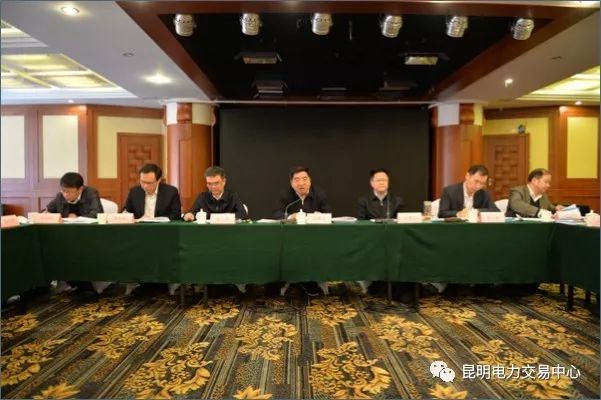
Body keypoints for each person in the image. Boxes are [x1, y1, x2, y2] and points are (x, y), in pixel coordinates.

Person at [274, 166, 331, 296]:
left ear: (310, 181)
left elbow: (328, 214)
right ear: (291, 183)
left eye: (305, 179)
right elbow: (276, 213)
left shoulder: (319, 194)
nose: (301, 183)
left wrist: (318, 216)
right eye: (297, 179)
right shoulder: (285, 194)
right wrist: (290, 216)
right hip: (290, 239)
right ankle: (288, 280)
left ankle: (310, 281)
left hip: (315, 238)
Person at [183, 166, 248, 221]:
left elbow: (243, 214)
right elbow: (191, 212)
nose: (213, 187)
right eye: (209, 184)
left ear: (224, 181)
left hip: (228, 230)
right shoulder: (202, 197)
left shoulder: (233, 196)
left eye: (216, 183)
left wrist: (221, 218)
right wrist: (188, 215)